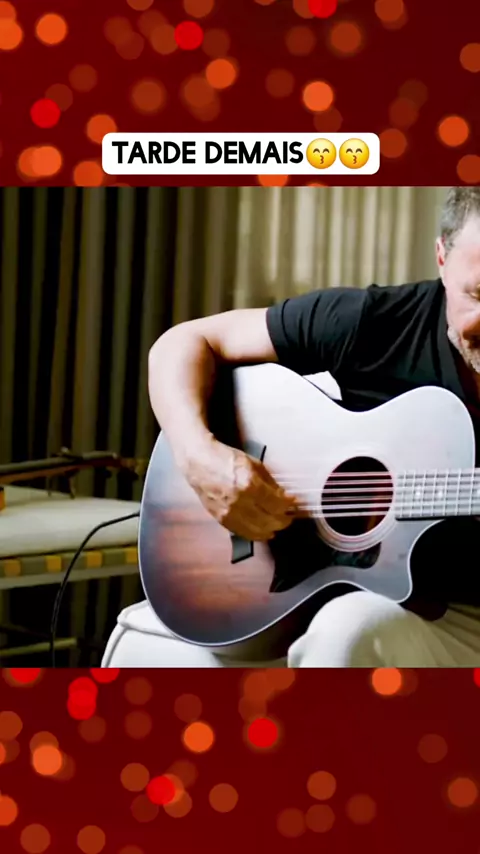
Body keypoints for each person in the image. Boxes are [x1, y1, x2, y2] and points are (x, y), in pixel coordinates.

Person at [139, 187, 480, 668]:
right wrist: (200, 458)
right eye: (478, 295)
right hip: (372, 597)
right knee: (345, 628)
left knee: (348, 628)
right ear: (442, 258)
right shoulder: (375, 323)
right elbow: (184, 342)